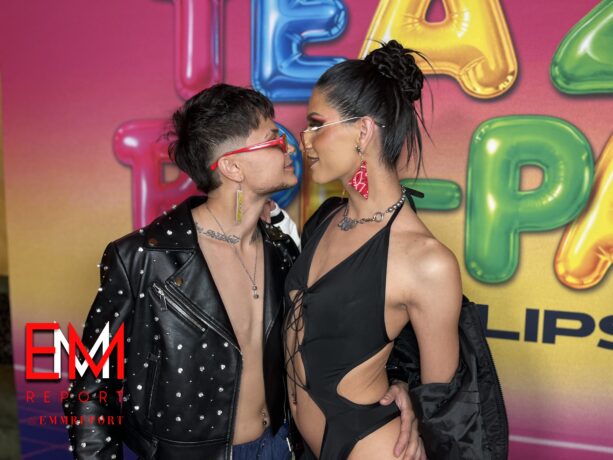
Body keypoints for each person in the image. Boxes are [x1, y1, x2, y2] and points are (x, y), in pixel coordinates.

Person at [65, 83, 422, 460]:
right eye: (273, 139)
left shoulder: (284, 250)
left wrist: (398, 381)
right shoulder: (141, 258)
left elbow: (351, 326)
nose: (290, 147)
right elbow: (90, 389)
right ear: (232, 166)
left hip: (282, 447)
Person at [284, 41, 508, 460]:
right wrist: (399, 379)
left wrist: (411, 395)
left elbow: (445, 409)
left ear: (363, 131)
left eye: (317, 126)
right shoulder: (325, 220)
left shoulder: (426, 261)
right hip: (302, 445)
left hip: (372, 446)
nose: (305, 141)